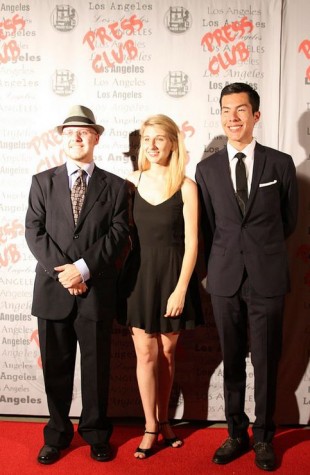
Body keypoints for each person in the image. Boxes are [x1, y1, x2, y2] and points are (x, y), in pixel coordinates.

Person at [196, 83, 298, 471]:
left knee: (267, 361)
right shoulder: (206, 169)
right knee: (232, 358)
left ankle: (265, 437)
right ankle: (236, 433)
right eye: (226, 110)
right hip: (223, 279)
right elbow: (208, 225)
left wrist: (259, 253)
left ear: (256, 115)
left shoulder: (280, 164)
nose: (232, 118)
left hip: (268, 278)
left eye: (240, 110)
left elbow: (289, 221)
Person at [25, 105, 129, 464]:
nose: (76, 137)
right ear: (62, 138)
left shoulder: (116, 186)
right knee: (55, 368)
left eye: (83, 132)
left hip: (96, 291)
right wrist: (63, 273)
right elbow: (33, 232)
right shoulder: (42, 182)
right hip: (54, 291)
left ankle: (97, 434)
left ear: (96, 138)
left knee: (97, 369)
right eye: (69, 132)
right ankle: (56, 434)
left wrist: (82, 270)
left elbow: (118, 234)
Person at [118, 114, 203, 459]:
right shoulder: (129, 182)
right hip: (137, 277)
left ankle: (166, 420)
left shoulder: (186, 185)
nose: (152, 146)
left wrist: (181, 288)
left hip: (173, 277)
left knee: (167, 353)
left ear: (172, 143)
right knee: (146, 353)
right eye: (147, 139)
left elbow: (194, 243)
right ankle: (150, 426)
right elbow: (118, 236)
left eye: (159, 139)